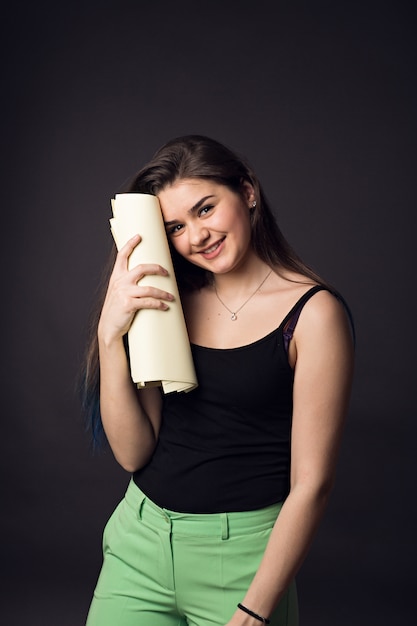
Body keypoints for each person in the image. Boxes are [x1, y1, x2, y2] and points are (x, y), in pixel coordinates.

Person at [82, 135, 354, 626]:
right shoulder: (169, 300)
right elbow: (133, 452)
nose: (196, 236)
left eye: (206, 209)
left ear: (247, 193)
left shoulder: (314, 316)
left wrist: (254, 609)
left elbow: (313, 483)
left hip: (244, 565)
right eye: (177, 227)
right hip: (140, 543)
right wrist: (109, 336)